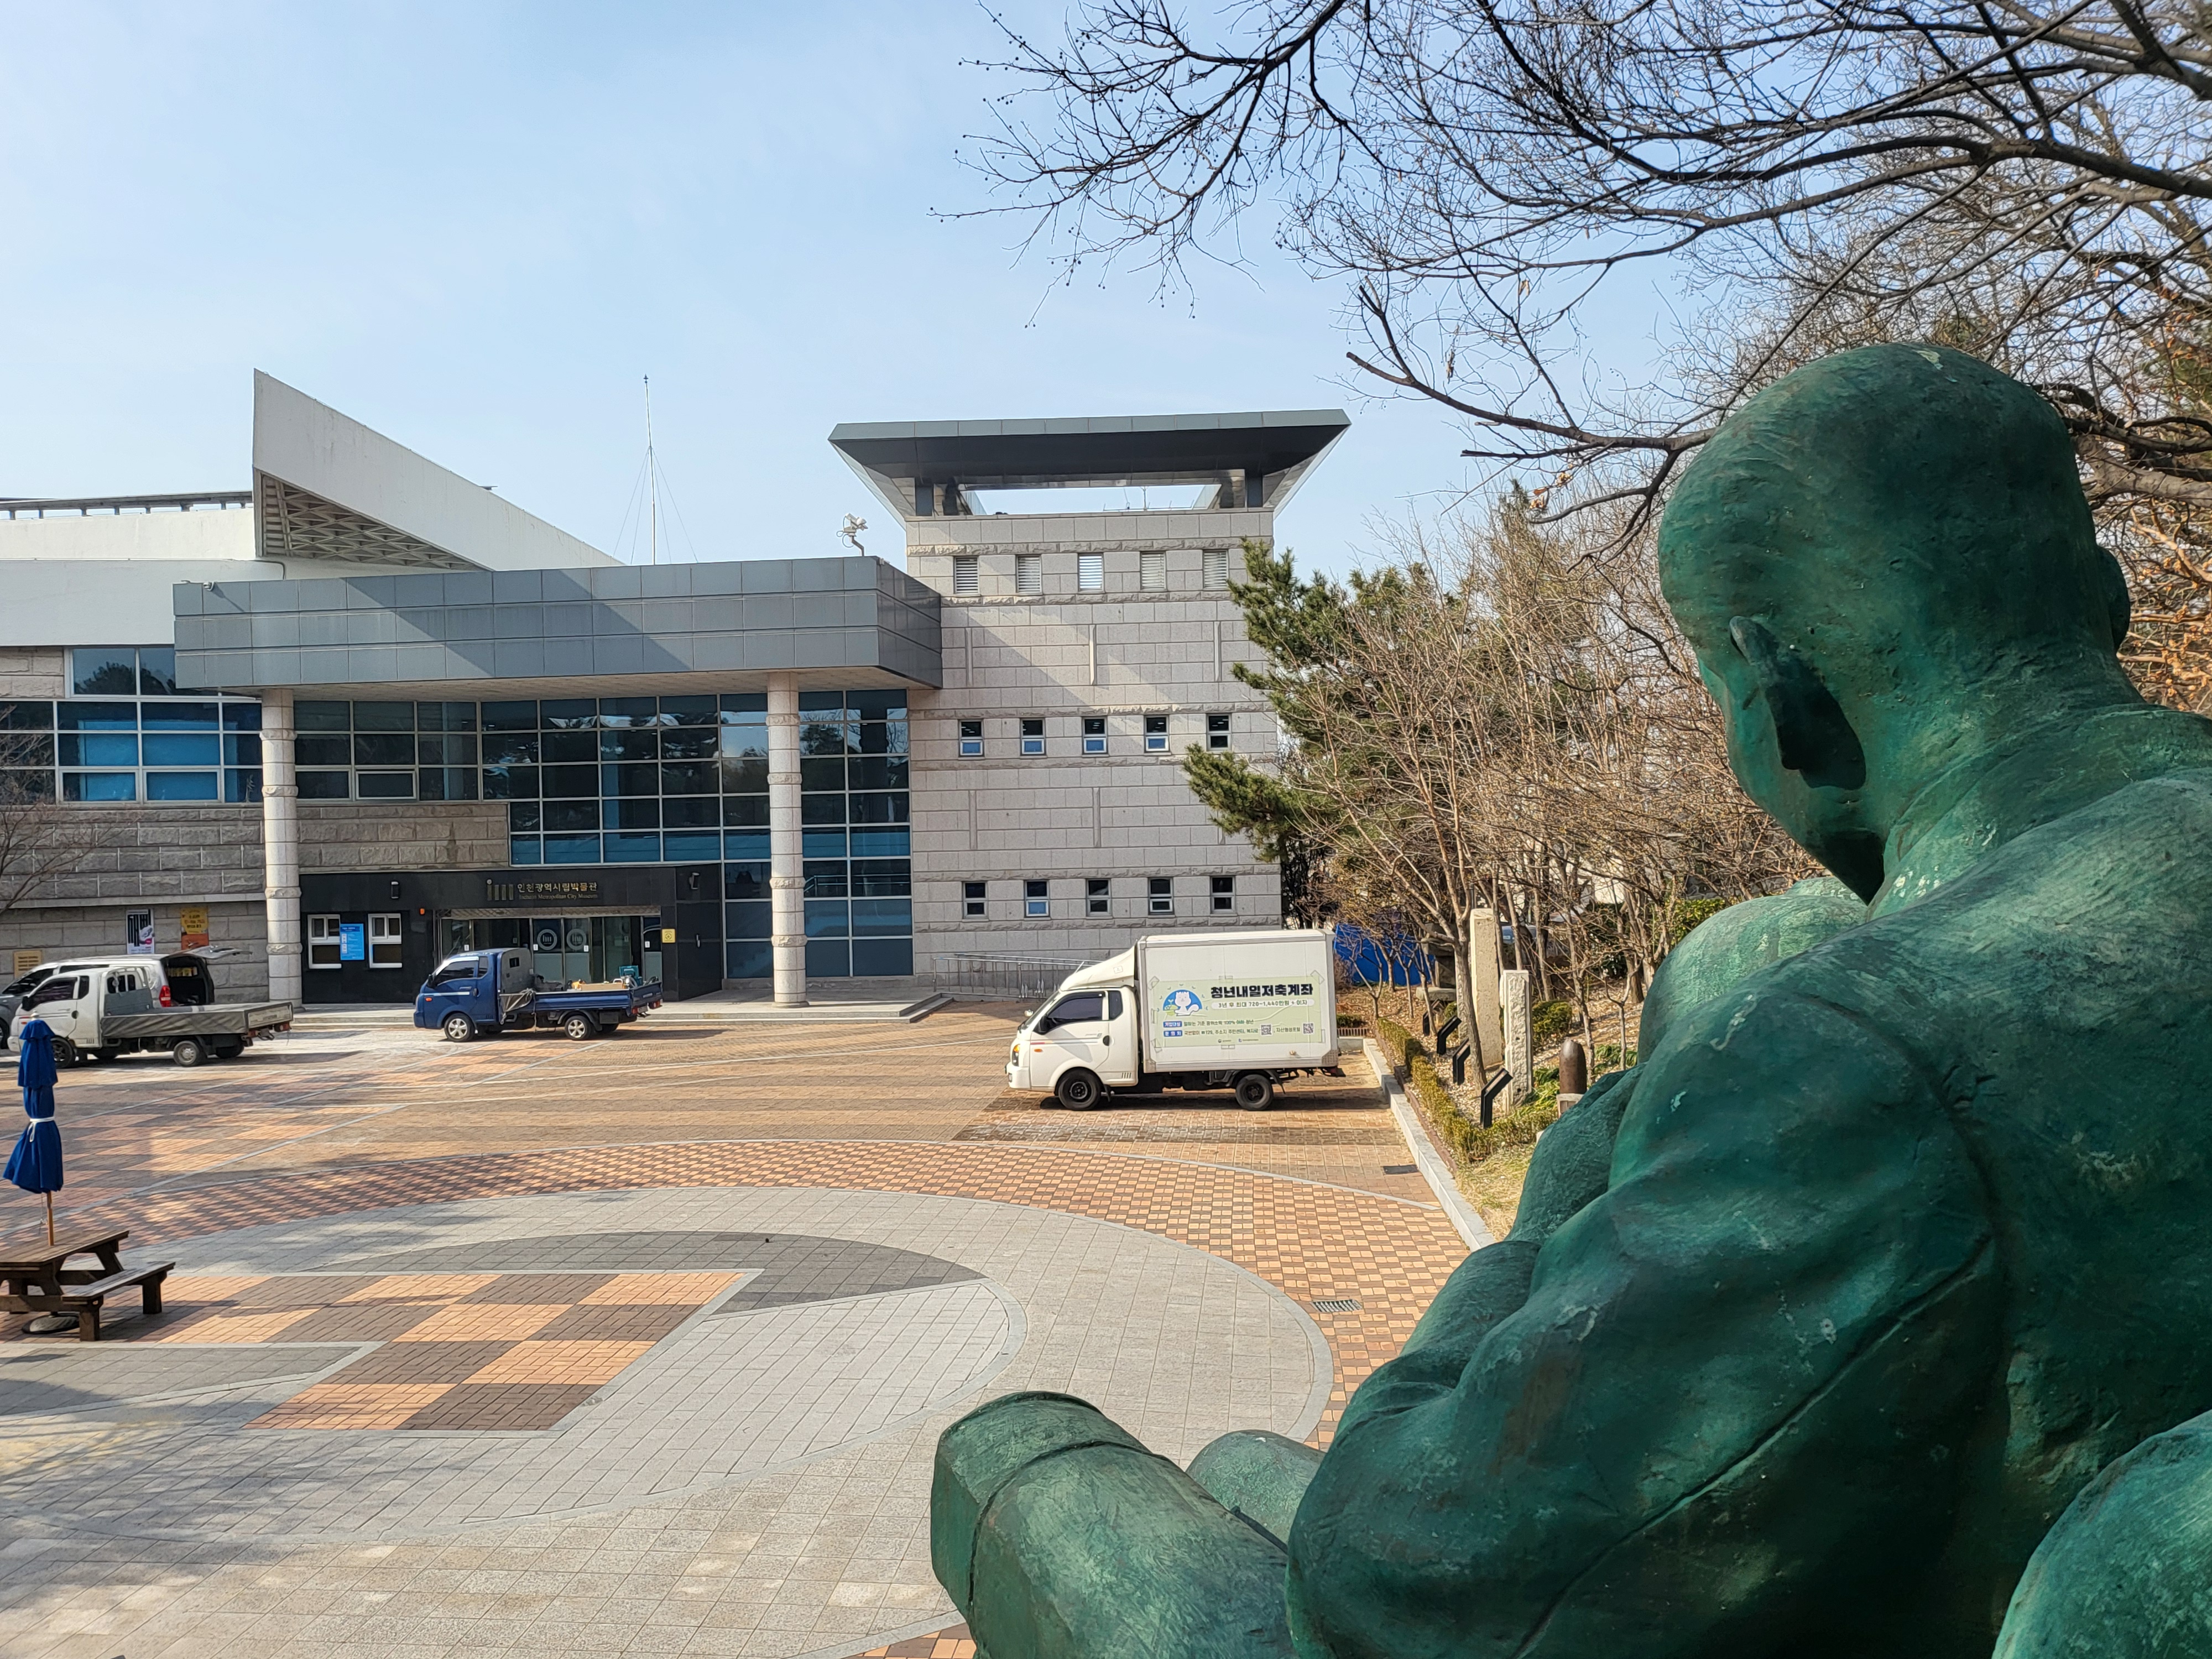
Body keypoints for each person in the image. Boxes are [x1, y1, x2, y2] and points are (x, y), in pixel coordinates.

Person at [931, 342, 2212, 1656]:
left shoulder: (1855, 1054)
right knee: (1245, 1465)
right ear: (2104, 598)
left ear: (1785, 700)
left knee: (1021, 1459)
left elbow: (1396, 1590)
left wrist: (1561, 1206)